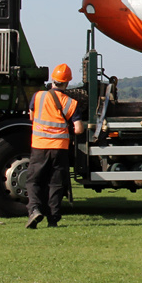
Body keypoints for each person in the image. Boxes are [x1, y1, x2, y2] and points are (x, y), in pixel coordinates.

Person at [26, 63, 85, 229]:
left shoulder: (38, 96)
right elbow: (79, 128)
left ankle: (34, 210)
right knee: (56, 184)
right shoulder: (71, 103)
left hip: (39, 146)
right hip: (60, 148)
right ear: (67, 83)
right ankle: (53, 219)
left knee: (34, 181)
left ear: (53, 79)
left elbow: (32, 116)